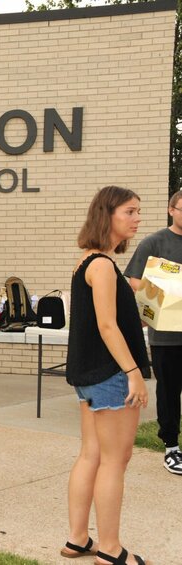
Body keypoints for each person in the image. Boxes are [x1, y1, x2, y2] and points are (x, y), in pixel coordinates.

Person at [62, 186, 151, 564]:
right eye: (129, 212)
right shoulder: (101, 265)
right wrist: (134, 372)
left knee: (92, 455)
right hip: (111, 374)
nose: (137, 219)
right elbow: (107, 326)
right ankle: (111, 550)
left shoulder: (92, 262)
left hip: (91, 374)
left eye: (137, 212)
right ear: (107, 214)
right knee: (115, 460)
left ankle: (78, 539)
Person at [124, 189, 182, 476]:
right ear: (171, 209)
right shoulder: (155, 242)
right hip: (167, 335)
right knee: (170, 392)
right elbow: (135, 280)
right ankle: (171, 448)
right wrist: (168, 295)